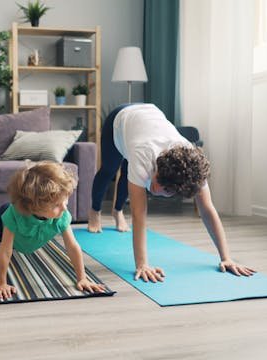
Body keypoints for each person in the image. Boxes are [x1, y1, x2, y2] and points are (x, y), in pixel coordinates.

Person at [88, 103, 255, 282]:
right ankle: (95, 211)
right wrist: (142, 264)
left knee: (131, 173)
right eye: (157, 180)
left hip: (147, 121)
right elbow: (139, 213)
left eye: (165, 190)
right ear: (158, 166)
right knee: (110, 170)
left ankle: (117, 211)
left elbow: (207, 209)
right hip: (120, 119)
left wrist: (226, 258)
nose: (155, 189)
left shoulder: (193, 169)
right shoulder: (143, 154)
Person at [0, 161, 106, 300]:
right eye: (57, 205)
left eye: (65, 200)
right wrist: (1, 283)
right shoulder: (14, 215)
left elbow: (72, 246)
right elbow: (5, 250)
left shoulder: (61, 216)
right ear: (36, 206)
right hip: (7, 222)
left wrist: (82, 278)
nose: (64, 208)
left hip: (28, 234)